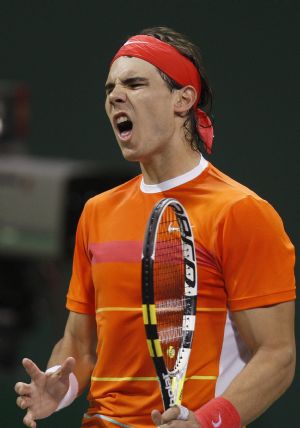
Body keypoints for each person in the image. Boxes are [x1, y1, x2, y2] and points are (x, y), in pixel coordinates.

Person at [15, 27, 296, 428]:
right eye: (110, 87)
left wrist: (205, 422)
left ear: (184, 99)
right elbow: (79, 343)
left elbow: (277, 356)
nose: (114, 96)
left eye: (134, 83)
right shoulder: (97, 212)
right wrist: (62, 386)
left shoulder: (241, 212)